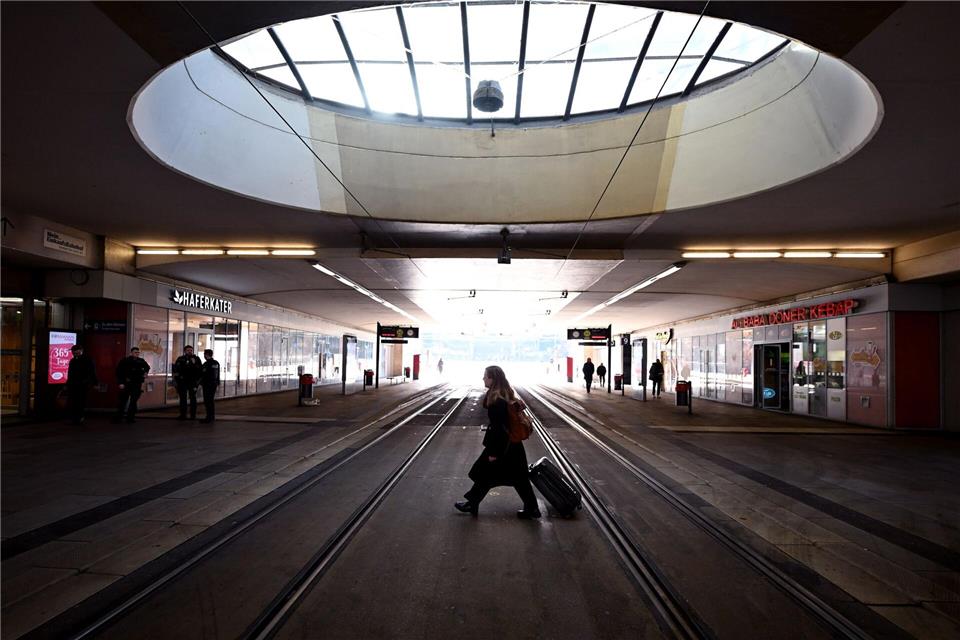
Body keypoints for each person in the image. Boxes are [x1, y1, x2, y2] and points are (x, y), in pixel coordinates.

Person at [455, 366, 540, 519]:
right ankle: (531, 508)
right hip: (512, 445)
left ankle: (472, 503)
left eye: (485, 376)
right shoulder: (505, 395)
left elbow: (499, 428)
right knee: (516, 478)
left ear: (493, 379)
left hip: (503, 446)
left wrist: (494, 452)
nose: (483, 379)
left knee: (488, 473)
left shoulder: (497, 401)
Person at [115, 346, 150, 423]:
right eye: (135, 352)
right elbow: (119, 372)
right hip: (126, 383)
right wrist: (120, 382)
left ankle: (130, 418)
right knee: (123, 401)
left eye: (138, 352)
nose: (137, 354)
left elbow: (147, 367)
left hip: (137, 384)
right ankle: (119, 418)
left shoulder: (141, 361)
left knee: (133, 401)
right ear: (131, 353)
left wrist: (145, 373)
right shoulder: (125, 361)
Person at [66, 345, 97, 424]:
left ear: (80, 350)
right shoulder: (72, 361)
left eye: (75, 351)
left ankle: (79, 418)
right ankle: (75, 418)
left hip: (83, 384)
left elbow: (92, 372)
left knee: (80, 401)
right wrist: (68, 383)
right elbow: (70, 373)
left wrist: (94, 382)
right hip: (74, 384)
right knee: (74, 401)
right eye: (73, 351)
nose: (73, 353)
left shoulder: (87, 360)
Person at [172, 345, 203, 420]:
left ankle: (193, 415)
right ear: (185, 351)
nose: (190, 352)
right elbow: (176, 369)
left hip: (192, 381)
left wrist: (194, 364)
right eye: (188, 350)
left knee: (193, 398)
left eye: (191, 350)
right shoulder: (180, 359)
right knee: (183, 398)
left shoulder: (196, 358)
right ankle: (183, 414)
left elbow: (200, 370)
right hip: (183, 382)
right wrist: (176, 380)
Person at [199, 348, 220, 423]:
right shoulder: (216, 363)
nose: (204, 355)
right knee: (210, 401)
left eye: (204, 354)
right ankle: (211, 416)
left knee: (207, 401)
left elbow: (204, 374)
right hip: (213, 384)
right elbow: (217, 375)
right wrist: (217, 383)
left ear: (206, 355)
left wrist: (201, 382)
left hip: (208, 385)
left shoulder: (207, 364)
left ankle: (209, 417)